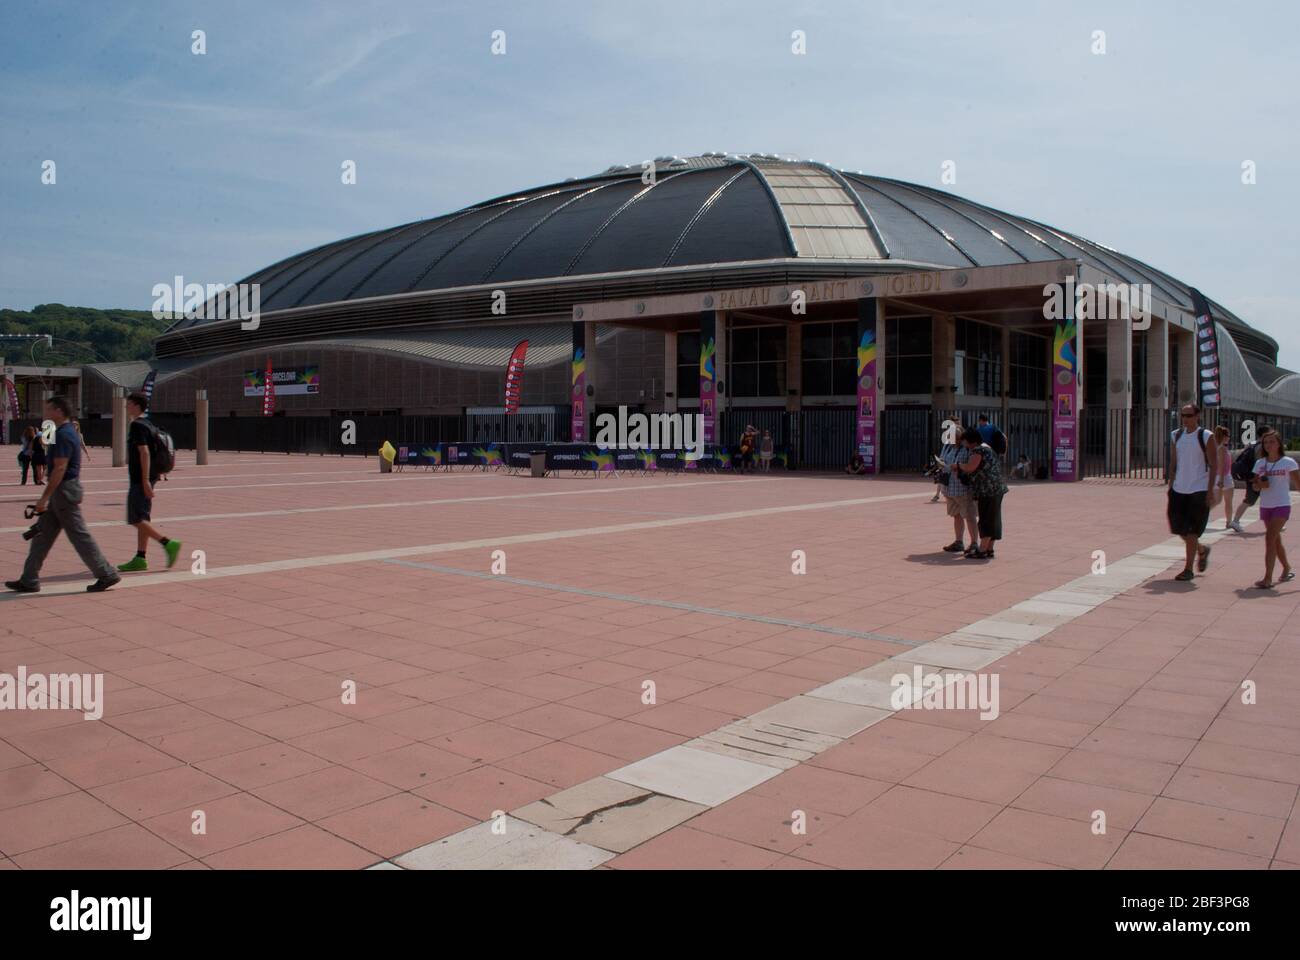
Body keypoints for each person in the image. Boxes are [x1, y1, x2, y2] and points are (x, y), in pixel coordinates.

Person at [5, 396, 120, 593]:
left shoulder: (65, 434)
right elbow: (47, 447)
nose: (45, 412)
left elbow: (59, 469)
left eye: (48, 409)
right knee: (42, 536)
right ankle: (29, 578)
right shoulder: (59, 432)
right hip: (63, 491)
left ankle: (106, 573)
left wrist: (43, 499)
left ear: (58, 411)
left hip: (64, 491)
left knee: (79, 536)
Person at [116, 393, 182, 573]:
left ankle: (168, 543)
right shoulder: (149, 424)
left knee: (135, 518)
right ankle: (140, 557)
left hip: (140, 478)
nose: (126, 407)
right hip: (150, 476)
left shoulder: (137, 425)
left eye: (128, 404)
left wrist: (144, 480)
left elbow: (144, 453)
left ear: (137, 406)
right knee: (143, 517)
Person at [1166, 403, 1220, 582]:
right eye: (1183, 415)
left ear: (1197, 416)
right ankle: (1202, 550)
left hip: (1199, 488)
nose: (1185, 418)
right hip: (1179, 489)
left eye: (1189, 415)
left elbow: (1214, 464)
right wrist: (1171, 484)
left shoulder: (1206, 436)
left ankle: (1188, 569)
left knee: (1191, 530)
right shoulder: (1176, 435)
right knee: (1179, 528)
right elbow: (1174, 461)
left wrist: (1210, 489)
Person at [1249, 430, 1298, 589]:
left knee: (1269, 538)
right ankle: (1287, 567)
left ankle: (1267, 578)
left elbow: (1298, 484)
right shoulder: (1260, 463)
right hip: (1266, 505)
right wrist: (1259, 485)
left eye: (1272, 442)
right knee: (1275, 541)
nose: (1269, 445)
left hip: (1282, 505)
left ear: (1279, 444)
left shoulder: (1288, 462)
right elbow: (1255, 486)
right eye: (1266, 442)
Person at [956, 425, 1008, 559]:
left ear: (971, 441)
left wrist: (958, 466)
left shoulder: (978, 450)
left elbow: (970, 467)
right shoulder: (987, 447)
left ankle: (982, 549)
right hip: (996, 488)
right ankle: (989, 548)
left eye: (964, 441)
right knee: (994, 518)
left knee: (986, 519)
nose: (963, 444)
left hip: (987, 490)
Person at [939, 432, 979, 555]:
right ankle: (958, 542)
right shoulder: (948, 448)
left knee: (970, 516)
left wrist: (959, 467)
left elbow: (972, 467)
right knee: (956, 515)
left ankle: (974, 543)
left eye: (953, 438)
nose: (951, 440)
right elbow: (945, 462)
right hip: (950, 488)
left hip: (963, 489)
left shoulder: (968, 450)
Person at [1229, 424, 1272, 533]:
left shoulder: (1252, 444)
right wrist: (1260, 479)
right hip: (1256, 478)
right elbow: (1260, 464)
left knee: (1256, 500)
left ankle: (1273, 523)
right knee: (1249, 500)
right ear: (1264, 435)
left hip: (1251, 476)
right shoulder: (1261, 447)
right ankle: (1235, 521)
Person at [1213, 425, 1234, 530]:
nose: (1229, 438)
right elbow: (1221, 465)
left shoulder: (1217, 447)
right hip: (1224, 477)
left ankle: (1199, 515)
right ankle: (1229, 522)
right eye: (1228, 436)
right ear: (1224, 436)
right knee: (1227, 501)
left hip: (1219, 476)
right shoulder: (1222, 448)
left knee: (1217, 501)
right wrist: (1221, 480)